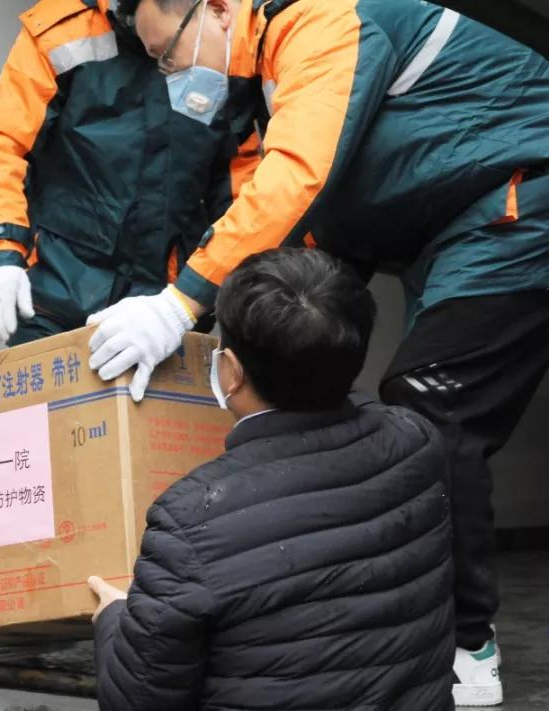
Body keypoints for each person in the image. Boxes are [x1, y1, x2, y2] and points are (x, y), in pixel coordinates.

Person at [89, 0, 549, 701]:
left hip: (518, 204)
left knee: (431, 412)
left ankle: (468, 645)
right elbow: (307, 225)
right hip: (454, 227)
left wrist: (180, 303)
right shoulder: (272, 78)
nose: (170, 73)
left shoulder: (323, 20)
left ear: (217, 10)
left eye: (167, 55)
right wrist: (240, 322)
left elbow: (299, 178)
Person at [89, 248, 455, 711]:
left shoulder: (190, 521)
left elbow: (136, 701)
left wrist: (114, 619)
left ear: (231, 371)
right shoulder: (415, 442)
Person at [0, 0, 237, 346]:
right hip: (54, 297)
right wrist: (1, 254)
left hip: (160, 311)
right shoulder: (61, 28)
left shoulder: (216, 33)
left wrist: (220, 292)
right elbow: (1, 144)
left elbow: (238, 184)